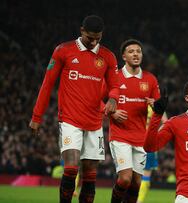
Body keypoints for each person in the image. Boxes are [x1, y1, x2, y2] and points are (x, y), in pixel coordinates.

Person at [29, 15, 120, 203]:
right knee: (71, 168)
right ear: (82, 31)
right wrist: (37, 116)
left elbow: (115, 85)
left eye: (98, 38)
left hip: (94, 122)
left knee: (90, 175)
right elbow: (47, 84)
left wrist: (113, 99)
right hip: (70, 119)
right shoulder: (64, 51)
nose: (93, 41)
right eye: (90, 37)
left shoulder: (108, 57)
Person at [108, 39, 162, 203]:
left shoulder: (150, 79)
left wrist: (156, 105)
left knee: (137, 183)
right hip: (120, 136)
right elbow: (97, 100)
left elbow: (159, 108)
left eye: (138, 51)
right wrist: (112, 112)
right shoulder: (114, 76)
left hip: (141, 138)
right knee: (125, 178)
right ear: (123, 56)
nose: (135, 54)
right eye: (131, 51)